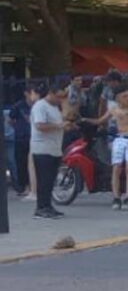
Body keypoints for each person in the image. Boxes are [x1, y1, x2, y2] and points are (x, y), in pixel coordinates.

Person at [87, 86, 128, 210]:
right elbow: (100, 121)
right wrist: (84, 120)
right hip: (119, 139)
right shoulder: (114, 109)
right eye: (125, 96)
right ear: (118, 99)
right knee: (116, 167)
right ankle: (116, 196)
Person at [31, 80, 75, 219]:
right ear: (51, 93)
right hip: (42, 149)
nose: (59, 100)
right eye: (58, 97)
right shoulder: (40, 106)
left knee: (50, 181)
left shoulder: (55, 107)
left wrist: (65, 104)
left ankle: (48, 205)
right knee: (44, 180)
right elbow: (40, 126)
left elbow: (66, 117)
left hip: (54, 148)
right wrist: (59, 126)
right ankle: (41, 208)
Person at [9, 86, 33, 196]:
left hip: (33, 138)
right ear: (26, 93)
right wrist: (18, 128)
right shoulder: (19, 106)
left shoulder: (36, 106)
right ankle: (23, 186)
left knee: (32, 163)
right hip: (21, 138)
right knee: (21, 163)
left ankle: (32, 185)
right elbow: (10, 119)